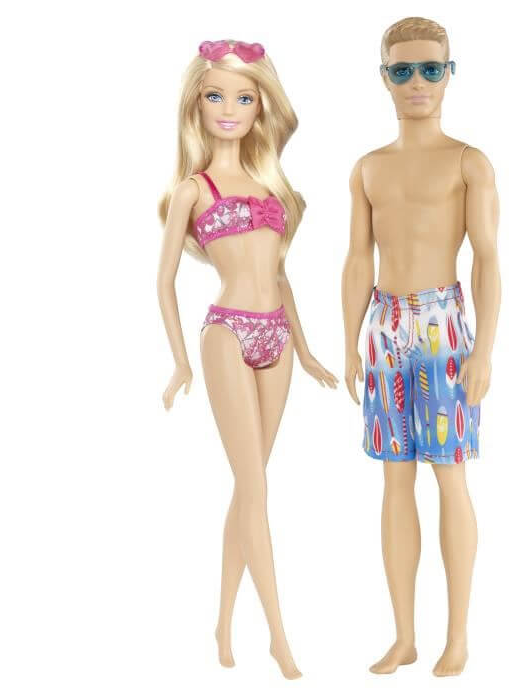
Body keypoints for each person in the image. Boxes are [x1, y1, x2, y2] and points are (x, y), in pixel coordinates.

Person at [157, 39, 337, 680]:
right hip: (228, 334)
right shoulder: (192, 190)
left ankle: (223, 623)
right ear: (197, 106)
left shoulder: (271, 186)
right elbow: (164, 280)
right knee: (256, 489)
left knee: (250, 484)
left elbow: (280, 277)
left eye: (243, 96)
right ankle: (279, 638)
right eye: (215, 96)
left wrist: (306, 350)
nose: (229, 109)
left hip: (277, 338)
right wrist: (180, 362)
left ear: (262, 106)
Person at [341, 17, 501, 676]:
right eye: (403, 69)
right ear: (384, 77)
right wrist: (349, 340)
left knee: (449, 473)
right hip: (385, 327)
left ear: (449, 74)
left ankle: (456, 636)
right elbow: (358, 257)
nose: (417, 82)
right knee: (394, 477)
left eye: (430, 68)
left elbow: (487, 257)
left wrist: (484, 349)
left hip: (442, 327)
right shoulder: (369, 168)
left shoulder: (469, 162)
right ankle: (404, 635)